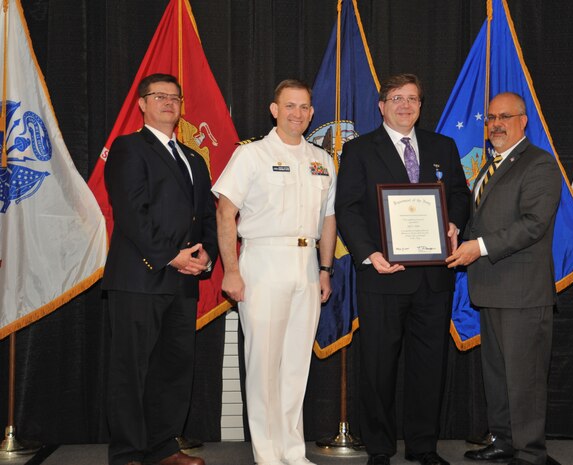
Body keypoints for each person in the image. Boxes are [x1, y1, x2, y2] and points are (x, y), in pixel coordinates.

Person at [335, 73, 469, 465]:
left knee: (429, 367)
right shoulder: (360, 150)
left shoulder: (442, 146)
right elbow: (348, 208)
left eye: (413, 98)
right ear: (381, 106)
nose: (405, 105)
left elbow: (459, 195)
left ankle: (423, 447)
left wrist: (454, 223)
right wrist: (369, 253)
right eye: (397, 98)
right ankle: (379, 448)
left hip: (433, 277)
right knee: (378, 367)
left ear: (420, 105)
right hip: (382, 275)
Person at [212, 79, 337, 465]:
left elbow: (328, 219)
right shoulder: (252, 155)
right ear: (274, 109)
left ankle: (293, 452)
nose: (297, 114)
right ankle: (267, 453)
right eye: (289, 106)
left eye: (303, 107)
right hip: (263, 261)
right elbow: (225, 212)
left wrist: (325, 269)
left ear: (312, 113)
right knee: (264, 363)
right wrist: (231, 271)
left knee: (296, 364)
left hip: (306, 264)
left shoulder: (323, 160)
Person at [103, 73, 217, 465]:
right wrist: (171, 255)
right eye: (159, 96)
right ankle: (128, 453)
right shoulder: (128, 148)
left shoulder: (193, 159)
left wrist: (207, 258)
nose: (169, 102)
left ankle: (163, 448)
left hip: (184, 282)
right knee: (130, 372)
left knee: (173, 370)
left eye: (175, 97)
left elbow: (206, 216)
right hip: (140, 277)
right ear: (142, 103)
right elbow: (132, 213)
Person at [447, 92, 562, 465]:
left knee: (524, 380)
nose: (496, 123)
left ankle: (530, 453)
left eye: (505, 117)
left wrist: (476, 247)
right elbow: (483, 220)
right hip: (492, 288)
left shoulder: (539, 164)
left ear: (523, 121)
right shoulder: (490, 165)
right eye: (491, 117)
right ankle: (504, 441)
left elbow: (533, 225)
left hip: (524, 293)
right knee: (498, 376)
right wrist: (453, 236)